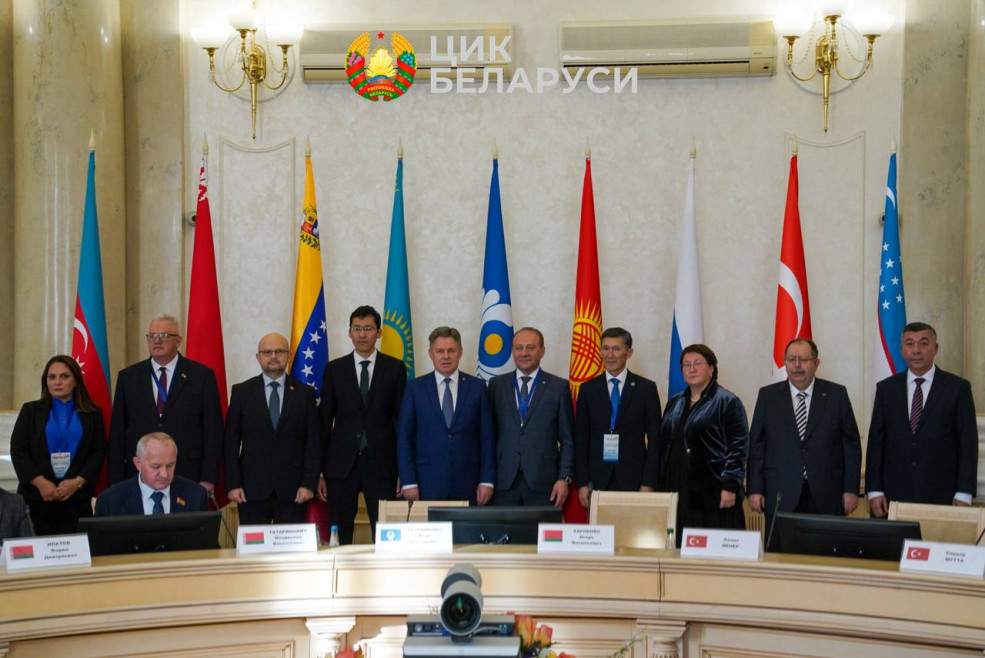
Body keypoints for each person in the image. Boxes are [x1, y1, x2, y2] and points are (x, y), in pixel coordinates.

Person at [747, 339, 862, 547]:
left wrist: (851, 489)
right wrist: (755, 489)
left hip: (827, 493)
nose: (797, 365)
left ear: (816, 363)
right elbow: (756, 446)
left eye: (803, 359)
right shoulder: (768, 396)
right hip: (781, 493)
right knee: (780, 556)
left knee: (826, 555)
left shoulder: (836, 395)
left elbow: (851, 445)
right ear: (785, 363)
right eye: (791, 359)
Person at [866, 322, 978, 517]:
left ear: (935, 348)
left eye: (923, 343)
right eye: (910, 344)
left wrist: (964, 493)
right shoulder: (886, 389)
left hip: (943, 495)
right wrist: (874, 490)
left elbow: (968, 444)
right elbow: (876, 443)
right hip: (893, 495)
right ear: (902, 349)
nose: (916, 350)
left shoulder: (958, 388)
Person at [107, 314, 224, 494]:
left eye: (164, 335)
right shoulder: (129, 377)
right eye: (152, 336)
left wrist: (208, 476)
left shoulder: (201, 376)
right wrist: (115, 479)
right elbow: (118, 430)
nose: (157, 340)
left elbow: (212, 429)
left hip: (188, 472)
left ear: (178, 341)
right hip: (139, 474)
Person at [320, 306, 406, 544]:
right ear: (349, 332)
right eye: (357, 328)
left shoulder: (395, 368)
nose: (362, 334)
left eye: (368, 328)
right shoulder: (334, 369)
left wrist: (404, 470)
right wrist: (319, 472)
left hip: (383, 466)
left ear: (379, 332)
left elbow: (403, 423)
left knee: (386, 536)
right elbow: (324, 422)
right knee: (340, 536)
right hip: (340, 467)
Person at [225, 333, 320, 525]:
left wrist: (308, 484)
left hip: (294, 492)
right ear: (258, 357)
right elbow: (230, 443)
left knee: (290, 545)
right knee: (254, 545)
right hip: (251, 491)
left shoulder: (305, 394)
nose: (274, 356)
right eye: (267, 352)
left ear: (289, 355)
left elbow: (313, 443)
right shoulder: (241, 392)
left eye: (280, 351)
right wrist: (233, 484)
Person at [658, 344, 749, 546]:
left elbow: (738, 447)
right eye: (686, 365)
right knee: (678, 546)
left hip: (713, 490)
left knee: (711, 548)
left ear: (711, 368)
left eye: (698, 363)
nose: (691, 369)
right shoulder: (675, 402)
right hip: (676, 487)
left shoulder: (727, 401)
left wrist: (730, 485)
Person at [397, 326, 495, 504]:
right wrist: (408, 481)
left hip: (469, 482)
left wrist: (486, 480)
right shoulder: (414, 388)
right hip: (426, 482)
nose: (446, 356)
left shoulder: (477, 387)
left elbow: (487, 437)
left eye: (451, 351)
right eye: (440, 351)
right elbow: (404, 437)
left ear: (460, 352)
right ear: (430, 353)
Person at [10, 355, 107, 535]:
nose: (57, 382)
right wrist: (41, 483)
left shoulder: (92, 414)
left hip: (76, 498)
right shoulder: (31, 411)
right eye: (52, 377)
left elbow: (98, 451)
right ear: (45, 381)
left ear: (76, 381)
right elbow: (18, 450)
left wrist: (77, 482)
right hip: (37, 497)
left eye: (64, 376)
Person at [575, 327, 661, 508]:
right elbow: (580, 440)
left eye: (616, 349)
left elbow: (655, 441)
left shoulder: (646, 389)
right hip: (597, 479)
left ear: (629, 353)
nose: (610, 355)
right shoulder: (588, 389)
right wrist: (582, 482)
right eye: (605, 348)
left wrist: (648, 483)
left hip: (634, 479)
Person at [488, 327, 574, 507]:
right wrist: (486, 479)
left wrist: (563, 478)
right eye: (518, 348)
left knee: (541, 527)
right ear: (512, 351)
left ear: (542, 351)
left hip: (545, 483)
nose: (524, 353)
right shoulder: (496, 386)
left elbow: (568, 439)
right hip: (503, 482)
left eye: (530, 347)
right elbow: (488, 436)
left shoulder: (558, 387)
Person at [96, 432, 208, 516]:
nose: (164, 474)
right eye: (156, 466)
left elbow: (205, 540)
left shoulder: (196, 495)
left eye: (170, 465)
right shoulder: (110, 501)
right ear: (138, 464)